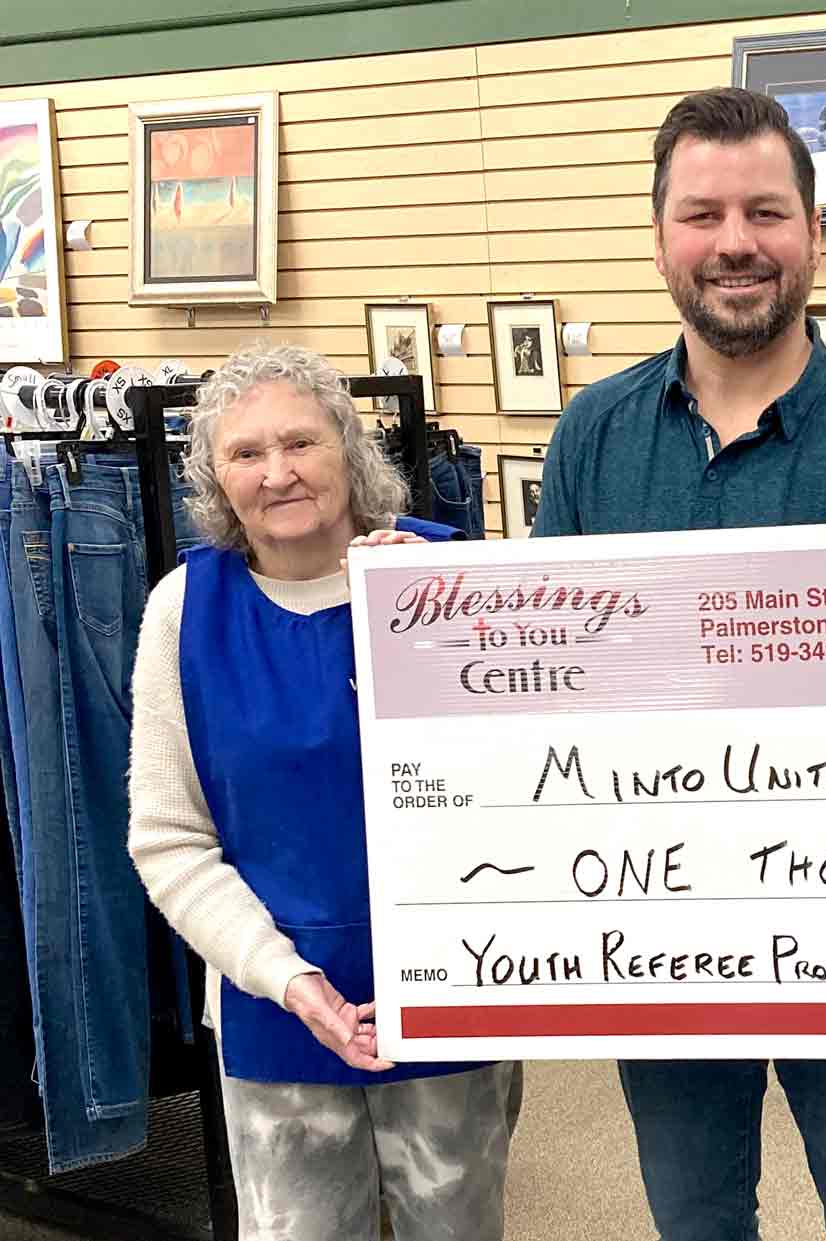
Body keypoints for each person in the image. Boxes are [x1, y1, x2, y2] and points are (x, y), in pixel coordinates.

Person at [531, 87, 826, 1241]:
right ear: (660, 238)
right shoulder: (591, 439)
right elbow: (545, 685)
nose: (735, 241)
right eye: (703, 214)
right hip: (656, 917)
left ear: (814, 233)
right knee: (695, 1217)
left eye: (766, 211)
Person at [128, 344, 516, 1240]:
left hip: (453, 985)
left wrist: (429, 628)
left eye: (301, 442)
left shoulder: (450, 584)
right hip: (277, 1008)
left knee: (458, 1223)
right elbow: (169, 838)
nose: (278, 473)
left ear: (350, 448)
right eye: (246, 453)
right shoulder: (183, 612)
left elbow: (525, 780)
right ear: (216, 479)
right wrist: (286, 977)